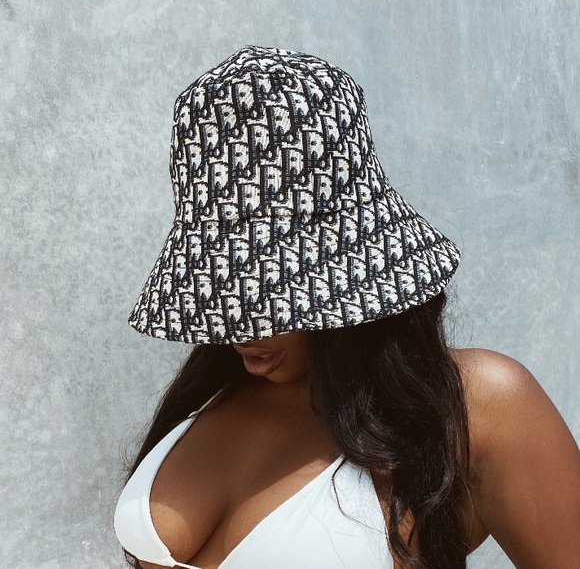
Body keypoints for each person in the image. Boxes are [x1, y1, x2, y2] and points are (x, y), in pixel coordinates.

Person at [114, 46, 580, 569]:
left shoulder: (480, 404)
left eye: (271, 283)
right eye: (227, 279)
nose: (240, 323)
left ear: (343, 264)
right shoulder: (221, 389)